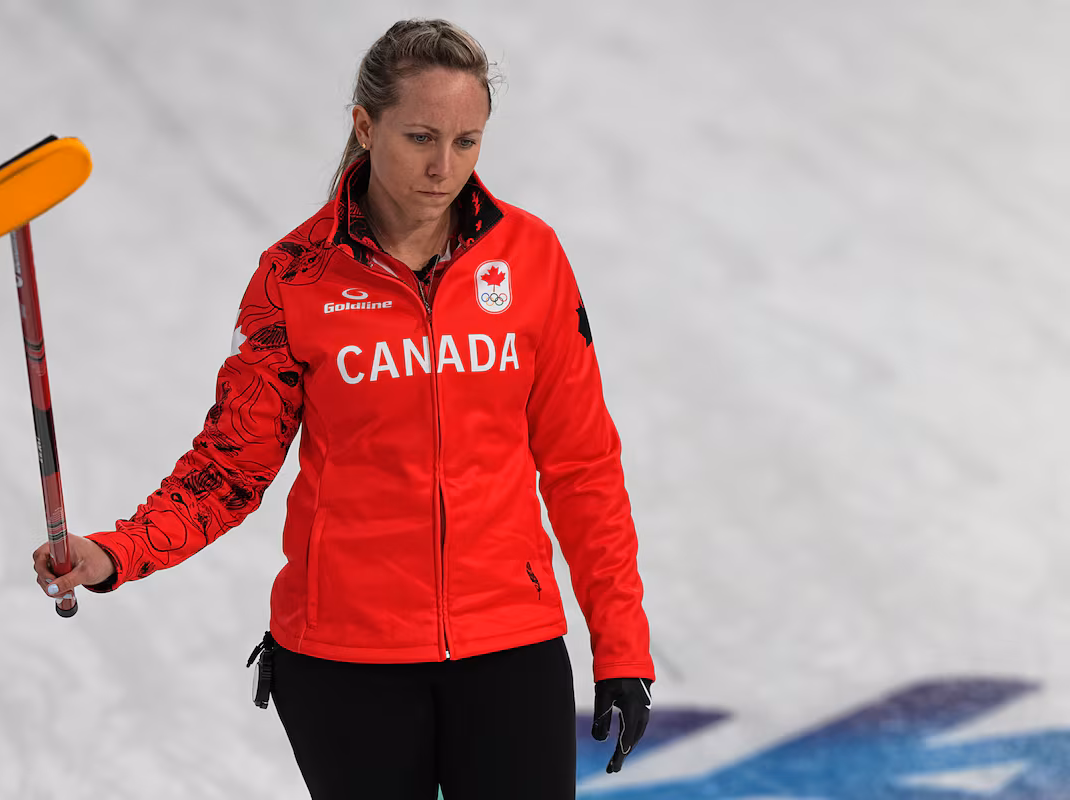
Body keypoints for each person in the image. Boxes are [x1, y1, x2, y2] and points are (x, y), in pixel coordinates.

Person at [32, 18, 654, 799]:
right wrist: (119, 551)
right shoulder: (294, 277)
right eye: (421, 137)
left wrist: (622, 649)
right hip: (345, 662)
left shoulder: (530, 258)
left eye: (467, 142)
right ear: (365, 126)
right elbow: (230, 465)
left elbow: (582, 465)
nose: (443, 167)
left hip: (509, 644)